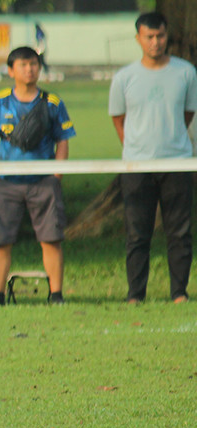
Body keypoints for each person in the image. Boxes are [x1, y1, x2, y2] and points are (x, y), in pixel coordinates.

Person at [0, 46, 75, 306]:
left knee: (51, 238)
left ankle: (56, 294)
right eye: (23, 64)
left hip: (44, 182)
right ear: (11, 70)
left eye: (33, 64)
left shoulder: (52, 103)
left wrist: (56, 175)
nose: (29, 69)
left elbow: (63, 140)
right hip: (5, 183)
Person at [109, 11, 197, 304]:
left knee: (180, 232)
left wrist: (170, 140)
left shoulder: (185, 72)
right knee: (137, 233)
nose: (155, 42)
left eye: (160, 36)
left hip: (178, 162)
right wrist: (136, 148)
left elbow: (187, 114)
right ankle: (135, 294)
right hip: (137, 164)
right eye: (149, 37)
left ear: (166, 35)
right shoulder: (125, 77)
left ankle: (179, 292)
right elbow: (119, 119)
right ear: (138, 38)